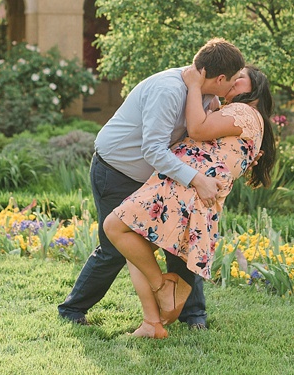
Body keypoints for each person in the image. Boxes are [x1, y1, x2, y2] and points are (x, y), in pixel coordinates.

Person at [57, 38, 245, 328]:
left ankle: (193, 316)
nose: (233, 87)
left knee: (181, 240)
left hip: (159, 176)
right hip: (116, 171)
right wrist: (196, 180)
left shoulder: (205, 93)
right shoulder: (167, 91)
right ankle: (72, 309)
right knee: (115, 248)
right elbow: (153, 150)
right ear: (220, 78)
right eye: (232, 81)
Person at [103, 65, 275, 338]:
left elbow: (196, 129)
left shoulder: (244, 112)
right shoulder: (233, 112)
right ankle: (152, 324)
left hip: (187, 187)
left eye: (239, 78)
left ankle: (163, 289)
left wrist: (195, 87)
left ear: (256, 88)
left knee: (114, 226)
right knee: (135, 245)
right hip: (186, 186)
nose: (231, 81)